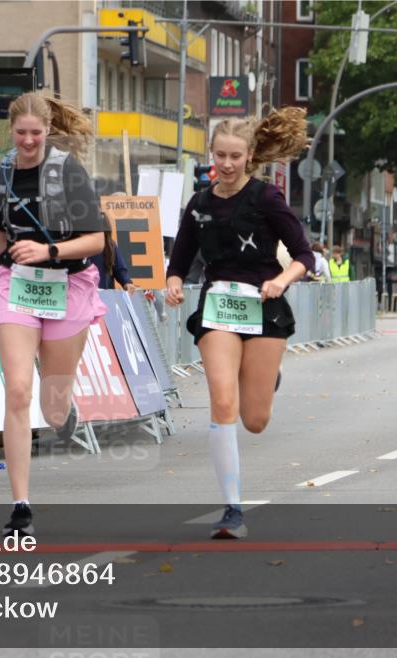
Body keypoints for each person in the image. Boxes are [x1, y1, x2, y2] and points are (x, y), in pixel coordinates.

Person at [0, 91, 107, 537]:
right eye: (21, 133)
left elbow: (96, 241)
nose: (28, 141)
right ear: (10, 131)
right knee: (17, 390)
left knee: (52, 409)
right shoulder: (1, 174)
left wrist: (49, 249)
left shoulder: (68, 172)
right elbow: (0, 228)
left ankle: (62, 408)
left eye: (36, 133)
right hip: (17, 286)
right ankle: (20, 507)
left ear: (48, 131)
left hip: (68, 285)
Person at [164, 107, 311, 540]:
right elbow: (180, 263)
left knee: (255, 420)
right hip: (218, 313)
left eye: (235, 156)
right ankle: (232, 510)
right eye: (220, 156)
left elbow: (304, 255)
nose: (227, 165)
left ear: (249, 157)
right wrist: (173, 285)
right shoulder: (201, 203)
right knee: (222, 403)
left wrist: (281, 280)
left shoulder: (266, 199)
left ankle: (265, 378)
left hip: (264, 310)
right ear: (211, 155)